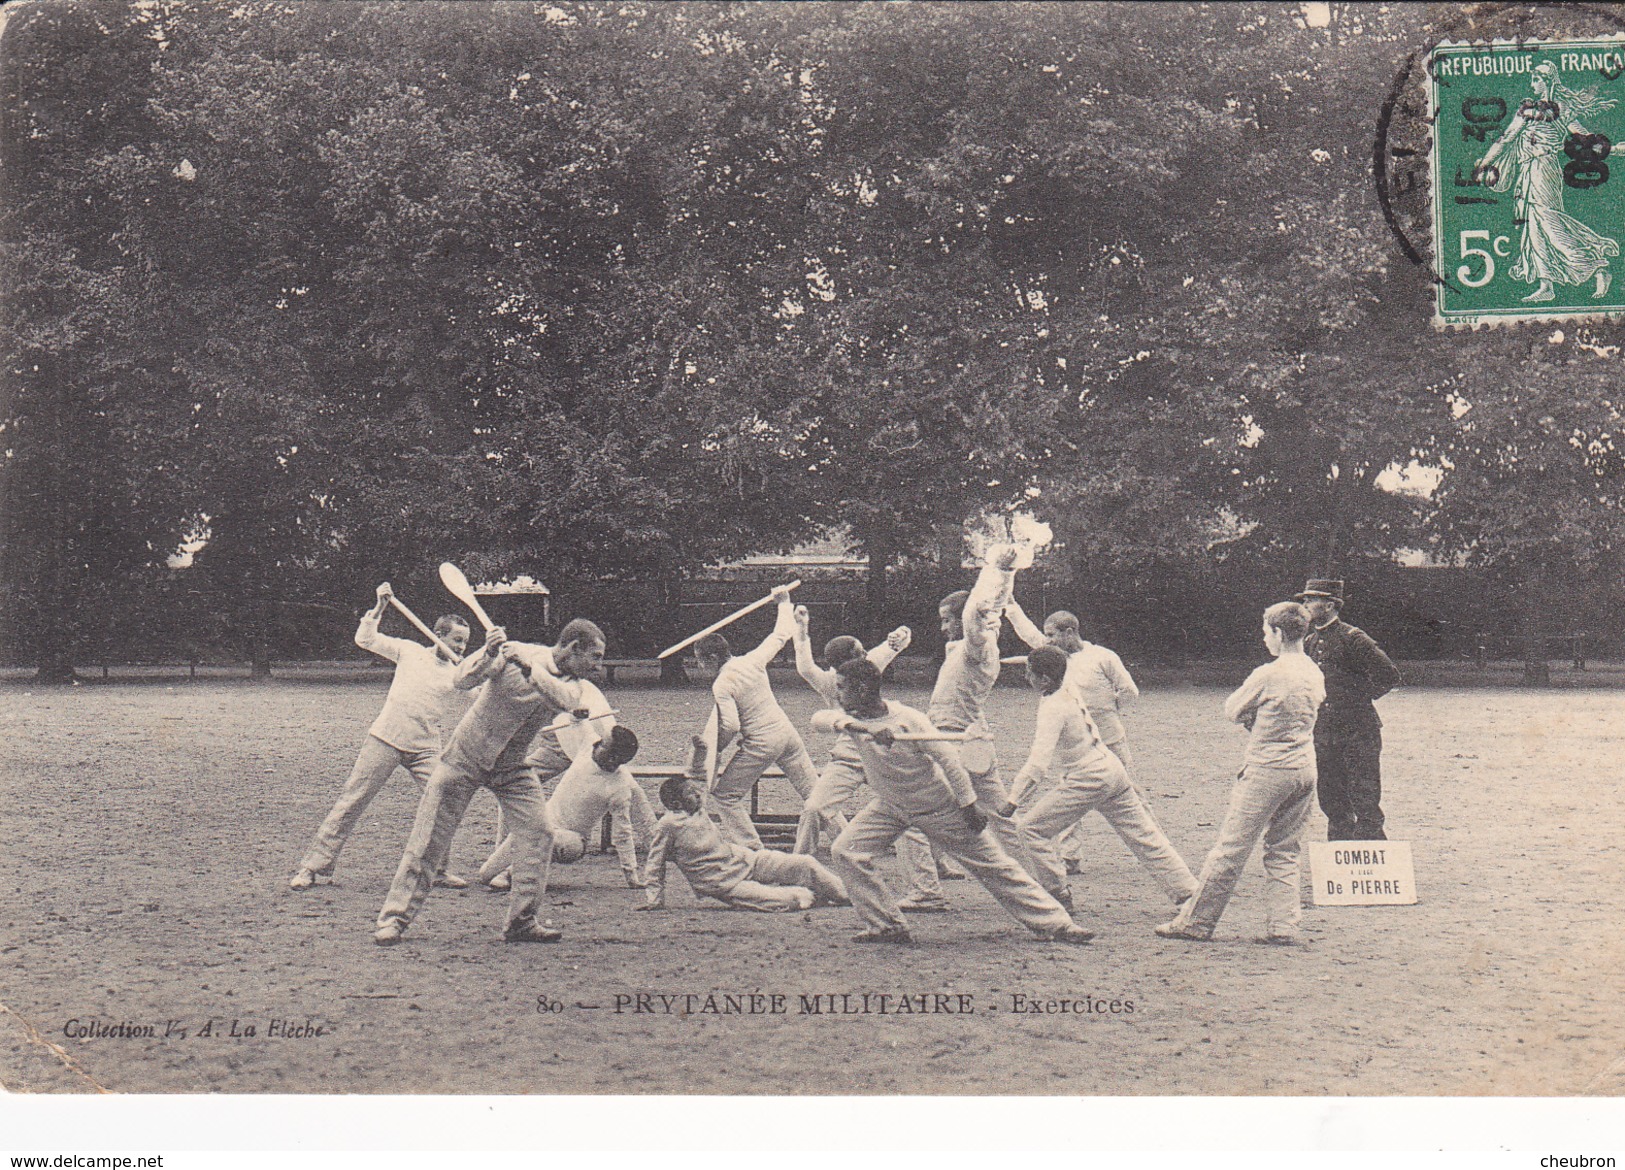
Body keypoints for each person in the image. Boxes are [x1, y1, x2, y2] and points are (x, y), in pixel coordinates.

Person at [817, 658, 1093, 945]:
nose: (837, 694)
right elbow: (820, 719)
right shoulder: (851, 719)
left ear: (862, 689)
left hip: (937, 807)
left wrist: (968, 804)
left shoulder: (909, 719)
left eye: (841, 688)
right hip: (889, 807)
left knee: (994, 864)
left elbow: (949, 761)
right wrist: (862, 728)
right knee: (846, 852)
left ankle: (1058, 924)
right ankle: (887, 926)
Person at [373, 618, 606, 946]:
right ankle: (394, 919)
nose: (598, 665)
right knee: (429, 841)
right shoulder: (514, 652)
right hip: (464, 758)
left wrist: (530, 669)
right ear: (573, 648)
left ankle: (522, 922)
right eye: (595, 656)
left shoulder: (572, 684)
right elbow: (462, 680)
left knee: (540, 833)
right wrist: (489, 651)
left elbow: (563, 701)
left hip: (512, 768)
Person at [1156, 602, 1325, 944]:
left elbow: (1232, 710)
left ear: (1278, 633)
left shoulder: (1269, 673)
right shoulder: (1314, 671)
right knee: (1284, 849)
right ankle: (1283, 925)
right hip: (1305, 766)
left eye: (1267, 632)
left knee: (1231, 848)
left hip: (1267, 769)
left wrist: (1258, 720)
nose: (1265, 639)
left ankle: (1196, 922)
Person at [289, 583, 472, 891]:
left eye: (465, 643)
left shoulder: (460, 671)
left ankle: (437, 870)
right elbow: (366, 638)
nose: (461, 648)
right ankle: (312, 867)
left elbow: (483, 694)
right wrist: (379, 607)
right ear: (439, 635)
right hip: (386, 738)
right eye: (456, 640)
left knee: (443, 803)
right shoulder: (410, 651)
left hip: (426, 748)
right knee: (353, 800)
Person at [896, 546, 1042, 913]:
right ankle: (1045, 882)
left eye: (947, 619)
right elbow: (988, 607)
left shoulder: (977, 645)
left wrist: (996, 573)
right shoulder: (964, 648)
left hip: (953, 740)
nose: (943, 626)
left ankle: (925, 890)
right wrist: (1004, 574)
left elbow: (977, 615)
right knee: (1000, 818)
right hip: (971, 738)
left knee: (912, 815)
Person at [1002, 646, 1196, 913]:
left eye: (1029, 673)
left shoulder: (1052, 707)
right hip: (1112, 770)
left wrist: (1012, 801)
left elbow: (1038, 764)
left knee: (1030, 830)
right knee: (1145, 836)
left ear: (1045, 679)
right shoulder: (1066, 682)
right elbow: (1052, 658)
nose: (1026, 678)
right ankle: (1189, 893)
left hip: (1088, 777)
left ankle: (1058, 895)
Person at [639, 737, 849, 913]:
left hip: (743, 859)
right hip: (722, 882)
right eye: (691, 794)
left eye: (695, 791)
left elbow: (696, 774)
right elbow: (655, 864)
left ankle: (846, 894)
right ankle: (811, 894)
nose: (697, 794)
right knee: (785, 900)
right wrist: (654, 900)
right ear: (676, 803)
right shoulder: (667, 825)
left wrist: (700, 749)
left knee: (805, 863)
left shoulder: (698, 808)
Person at [1004, 602, 1141, 869]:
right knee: (1069, 798)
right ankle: (1070, 857)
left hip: (1111, 740)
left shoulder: (1104, 657)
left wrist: (1108, 711)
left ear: (1069, 632)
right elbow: (1027, 633)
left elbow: (1129, 691)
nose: (1047, 640)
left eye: (1052, 634)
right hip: (1077, 745)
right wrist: (1009, 605)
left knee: (1132, 794)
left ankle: (1150, 840)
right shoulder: (1055, 659)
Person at [1475, 62, 1617, 304]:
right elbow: (1506, 137)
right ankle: (1546, 285)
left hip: (1545, 169)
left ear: (1547, 80)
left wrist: (1611, 149)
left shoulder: (1563, 110)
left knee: (1550, 223)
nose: (1532, 84)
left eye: (1535, 79)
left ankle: (1596, 268)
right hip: (1527, 171)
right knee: (1534, 227)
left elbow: (1584, 139)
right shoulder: (1527, 109)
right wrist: (1484, 163)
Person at [693, 585, 819, 849]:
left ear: (713, 657)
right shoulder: (752, 660)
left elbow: (730, 725)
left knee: (725, 796)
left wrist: (715, 751)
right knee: (816, 795)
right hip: (787, 735)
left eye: (700, 661)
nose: (700, 667)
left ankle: (753, 850)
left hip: (762, 744)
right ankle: (846, 841)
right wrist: (784, 602)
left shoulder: (722, 684)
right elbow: (782, 634)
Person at [788, 605, 911, 855]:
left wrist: (901, 633)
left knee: (909, 805)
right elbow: (804, 666)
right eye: (860, 652)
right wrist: (801, 628)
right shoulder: (829, 682)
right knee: (814, 809)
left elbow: (898, 643)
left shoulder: (869, 663)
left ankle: (934, 866)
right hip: (849, 754)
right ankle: (798, 865)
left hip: (881, 751)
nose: (866, 654)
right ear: (846, 662)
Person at [478, 724, 655, 888]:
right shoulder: (588, 744)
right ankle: (512, 867)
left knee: (561, 842)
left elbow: (623, 833)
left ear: (613, 758)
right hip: (539, 825)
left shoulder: (620, 787)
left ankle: (512, 872)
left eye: (602, 744)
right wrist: (576, 714)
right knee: (485, 875)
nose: (596, 744)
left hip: (572, 839)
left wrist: (632, 877)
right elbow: (579, 722)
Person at [1297, 579, 1402, 841]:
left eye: (1312, 599)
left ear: (1330, 605)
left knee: (1364, 799)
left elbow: (1388, 675)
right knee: (1332, 799)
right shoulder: (1310, 641)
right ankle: (1338, 862)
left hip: (1358, 731)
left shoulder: (1354, 638)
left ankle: (1376, 862)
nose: (1305, 604)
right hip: (1324, 733)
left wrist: (1357, 698)